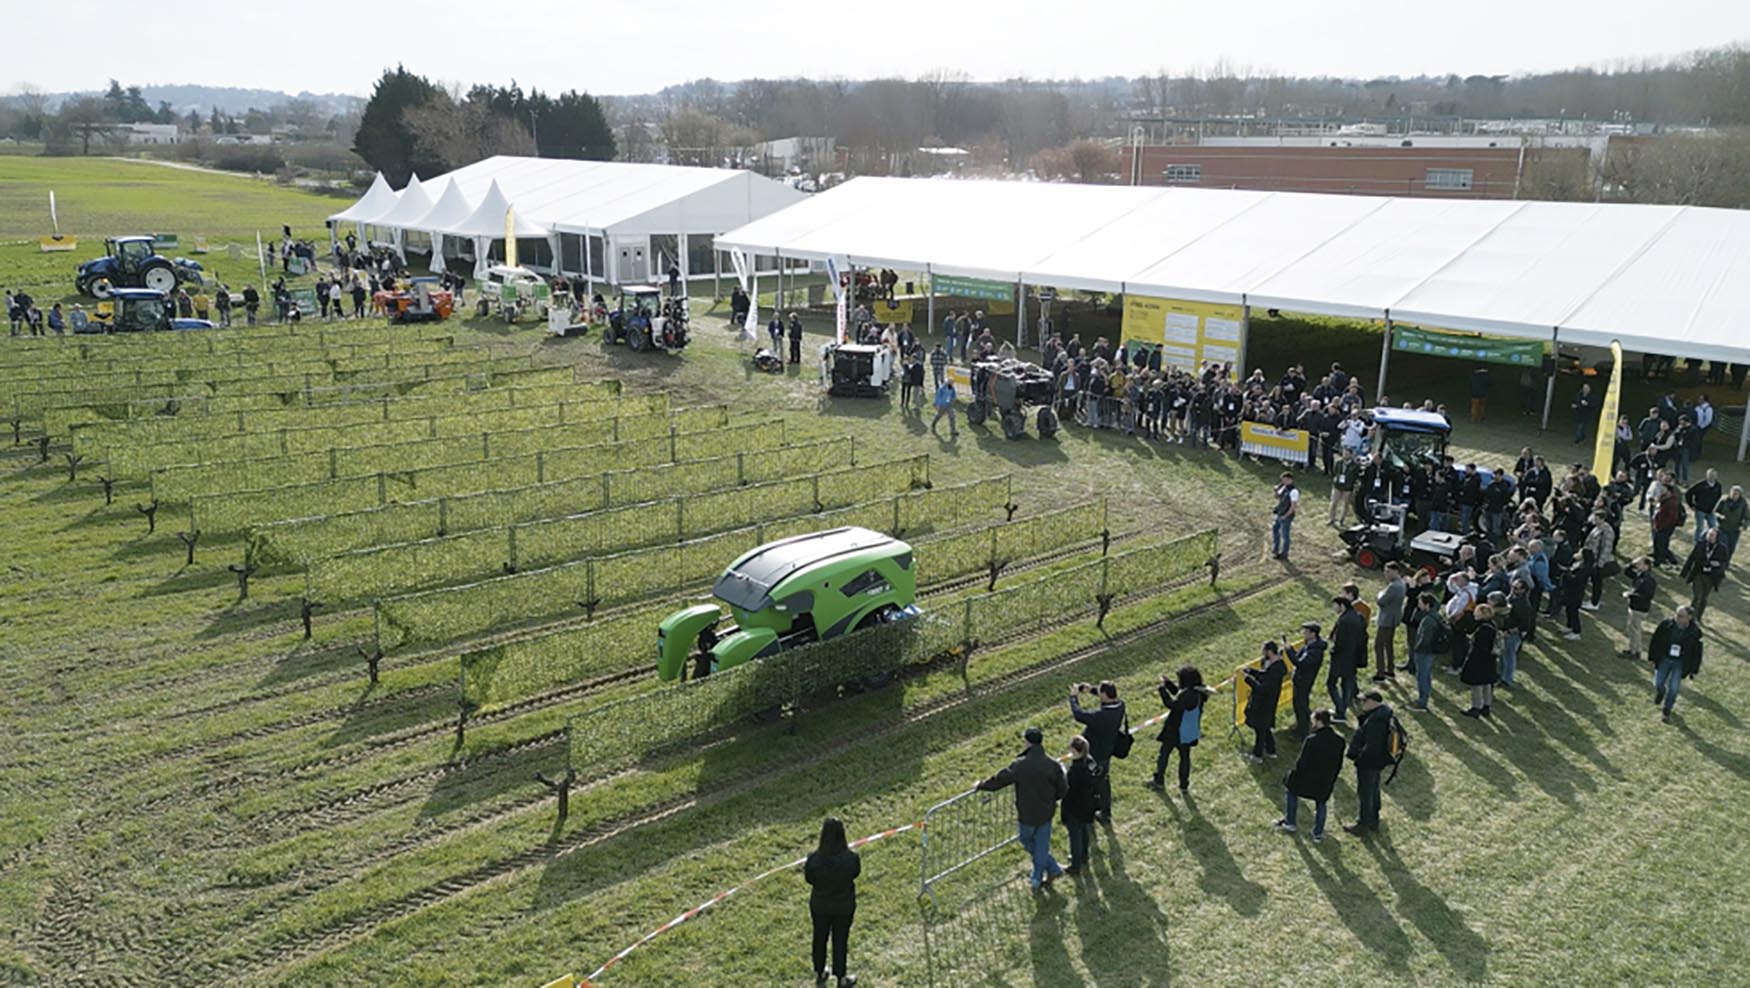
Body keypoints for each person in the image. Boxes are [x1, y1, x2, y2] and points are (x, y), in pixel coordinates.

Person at [975, 726, 1067, 891]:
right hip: (1046, 811)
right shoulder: (1052, 764)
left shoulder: (1020, 765)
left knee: (1027, 840)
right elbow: (1063, 788)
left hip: (1027, 813)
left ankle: (1037, 879)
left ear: (1028, 742)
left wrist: (982, 785)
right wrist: (1052, 800)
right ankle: (1052, 867)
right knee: (1041, 845)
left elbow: (1000, 779)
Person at [803, 817, 861, 987]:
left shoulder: (813, 859)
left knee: (819, 938)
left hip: (820, 905)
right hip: (843, 906)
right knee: (840, 940)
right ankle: (841, 977)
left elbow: (809, 879)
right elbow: (855, 874)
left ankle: (820, 971)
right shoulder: (851, 858)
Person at [1276, 708, 1346, 842]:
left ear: (1319, 721)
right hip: (1326, 779)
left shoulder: (1312, 740)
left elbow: (1302, 761)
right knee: (1321, 803)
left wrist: (1293, 775)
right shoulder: (1339, 741)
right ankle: (1318, 833)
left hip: (1307, 777)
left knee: (1291, 791)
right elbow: (1338, 763)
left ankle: (1290, 821)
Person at [1068, 681, 1125, 822]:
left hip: (1094, 753)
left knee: (1089, 783)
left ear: (1104, 695)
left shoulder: (1102, 716)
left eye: (1099, 692)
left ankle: (1091, 811)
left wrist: (1074, 697)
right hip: (1107, 750)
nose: (1098, 693)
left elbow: (1079, 715)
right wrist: (1091, 690)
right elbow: (1108, 699)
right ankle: (1104, 811)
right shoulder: (1120, 705)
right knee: (1103, 780)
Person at [1149, 665, 1210, 793]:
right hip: (1188, 731)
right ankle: (1184, 785)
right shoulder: (1197, 691)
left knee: (1164, 754)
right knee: (1185, 757)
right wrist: (1168, 683)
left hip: (1175, 730)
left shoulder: (1188, 694)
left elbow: (1172, 704)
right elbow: (1179, 693)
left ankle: (1159, 780)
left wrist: (1162, 691)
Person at [1345, 691, 1394, 836]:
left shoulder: (1375, 721)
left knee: (1365, 793)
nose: (1361, 704)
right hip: (1377, 762)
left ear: (1373, 702)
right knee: (1373, 789)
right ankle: (1373, 819)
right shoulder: (1382, 714)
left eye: (1364, 701)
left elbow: (1371, 746)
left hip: (1369, 763)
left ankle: (1363, 824)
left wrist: (1359, 758)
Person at [1649, 606, 1703, 723]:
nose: (1676, 617)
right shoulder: (1666, 625)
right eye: (1676, 614)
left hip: (1680, 662)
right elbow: (1655, 640)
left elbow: (1697, 653)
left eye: (1680, 616)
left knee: (1673, 688)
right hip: (1665, 658)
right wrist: (1652, 658)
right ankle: (1661, 692)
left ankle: (1666, 711)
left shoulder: (1695, 632)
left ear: (1689, 617)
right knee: (1658, 682)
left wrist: (1694, 670)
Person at [1241, 642, 1287, 764]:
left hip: (1264, 703)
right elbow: (1265, 674)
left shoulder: (1275, 669)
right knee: (1265, 727)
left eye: (1264, 651)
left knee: (1260, 729)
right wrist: (1251, 671)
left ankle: (1257, 755)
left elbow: (1262, 689)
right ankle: (1271, 750)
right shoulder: (1277, 666)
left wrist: (1247, 679)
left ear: (1269, 652)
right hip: (1269, 702)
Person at [1061, 736, 1097, 875]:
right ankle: (1084, 855)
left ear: (1076, 751)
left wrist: (1063, 773)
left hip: (1074, 807)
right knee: (1085, 830)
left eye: (1070, 748)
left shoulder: (1075, 770)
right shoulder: (1090, 761)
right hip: (1088, 804)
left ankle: (1075, 865)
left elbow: (1067, 788)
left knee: (1074, 835)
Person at [1328, 595, 1366, 720]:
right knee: (1346, 684)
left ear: (1342, 605)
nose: (1334, 608)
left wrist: (1333, 649)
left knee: (1331, 684)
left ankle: (1340, 710)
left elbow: (1340, 642)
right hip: (1354, 656)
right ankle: (1342, 709)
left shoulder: (1344, 621)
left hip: (1341, 658)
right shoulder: (1358, 616)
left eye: (1335, 605)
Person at [1285, 621, 1326, 736]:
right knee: (1298, 704)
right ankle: (1302, 725)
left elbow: (1300, 663)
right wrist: (1291, 649)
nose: (1304, 633)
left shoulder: (1315, 651)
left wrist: (1288, 651)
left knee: (1301, 706)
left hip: (1304, 681)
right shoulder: (1309, 645)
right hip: (1299, 680)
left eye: (1306, 631)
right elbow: (1298, 656)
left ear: (1313, 634)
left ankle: (1303, 730)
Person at [1679, 527, 1728, 621]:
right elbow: (1691, 558)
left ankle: (1698, 617)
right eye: (1708, 534)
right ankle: (1691, 617)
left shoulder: (1721, 548)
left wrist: (1718, 564)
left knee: (1704, 598)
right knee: (1697, 596)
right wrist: (1684, 572)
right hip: (1698, 573)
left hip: (1711, 576)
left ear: (1717, 537)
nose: (1709, 537)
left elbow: (1725, 562)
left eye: (1712, 535)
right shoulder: (1700, 545)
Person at [1460, 603, 1499, 718]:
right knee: (1486, 683)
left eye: (1477, 612)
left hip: (1479, 660)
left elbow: (1479, 647)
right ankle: (1486, 706)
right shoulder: (1492, 625)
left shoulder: (1483, 629)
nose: (1474, 614)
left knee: (1476, 684)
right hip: (1490, 660)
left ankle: (1476, 707)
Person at [1408, 592, 1442, 712]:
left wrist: (1416, 648)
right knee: (1426, 675)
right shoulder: (1435, 615)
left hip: (1424, 652)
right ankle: (1424, 698)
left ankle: (1422, 702)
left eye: (1420, 602)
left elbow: (1425, 639)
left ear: (1427, 604)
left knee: (1422, 676)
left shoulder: (1428, 620)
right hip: (1430, 651)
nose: (1418, 605)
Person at [1373, 563, 1407, 682]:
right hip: (1394, 618)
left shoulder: (1394, 586)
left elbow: (1381, 601)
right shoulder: (1401, 583)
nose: (1385, 574)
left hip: (1387, 619)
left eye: (1388, 571)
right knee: (1388, 644)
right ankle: (1390, 670)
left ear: (1396, 571)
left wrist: (1379, 594)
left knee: (1378, 645)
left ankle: (1380, 673)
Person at [1620, 556, 1656, 659]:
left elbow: (1647, 596)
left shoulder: (1649, 580)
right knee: (1633, 629)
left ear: (1646, 566)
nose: (1637, 566)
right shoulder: (1640, 575)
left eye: (1640, 564)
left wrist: (1630, 595)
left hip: (1639, 608)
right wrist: (1632, 563)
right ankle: (1635, 650)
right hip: (1635, 606)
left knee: (1634, 631)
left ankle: (1634, 652)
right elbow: (1627, 571)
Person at [1686, 468, 1723, 544]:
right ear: (1707, 476)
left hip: (1711, 510)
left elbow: (1719, 496)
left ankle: (1710, 540)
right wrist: (1691, 504)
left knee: (1713, 527)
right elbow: (1689, 493)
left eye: (1714, 475)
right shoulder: (1700, 485)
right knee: (1700, 527)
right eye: (1710, 475)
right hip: (1700, 510)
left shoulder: (1718, 486)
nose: (1712, 477)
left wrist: (1715, 507)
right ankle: (1696, 542)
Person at [1270, 471, 1299, 560]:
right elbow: (1277, 497)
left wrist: (1285, 516)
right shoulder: (1283, 487)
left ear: (1290, 480)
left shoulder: (1294, 491)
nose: (1283, 482)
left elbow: (1293, 507)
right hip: (1280, 513)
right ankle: (1275, 549)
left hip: (1286, 515)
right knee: (1275, 530)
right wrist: (1275, 491)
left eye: (1285, 480)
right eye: (1282, 480)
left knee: (1285, 535)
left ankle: (1284, 554)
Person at [1329, 447, 1357, 527]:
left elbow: (1355, 476)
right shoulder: (1338, 463)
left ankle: (1342, 520)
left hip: (1347, 488)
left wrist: (1350, 483)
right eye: (1344, 453)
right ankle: (1331, 519)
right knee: (1333, 503)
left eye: (1347, 454)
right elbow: (1335, 472)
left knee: (1345, 504)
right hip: (1337, 486)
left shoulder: (1354, 466)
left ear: (1351, 455)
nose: (1345, 455)